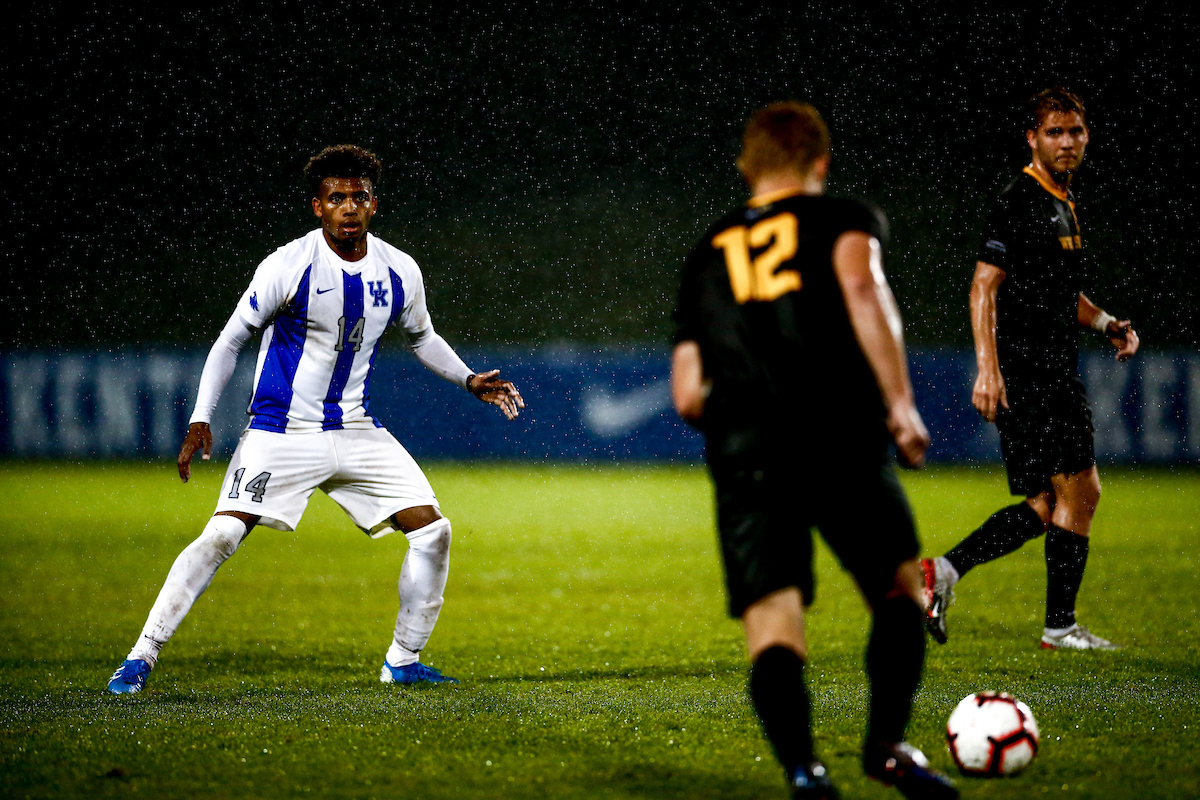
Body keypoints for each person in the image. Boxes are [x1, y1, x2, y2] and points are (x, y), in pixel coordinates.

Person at [107, 144, 523, 694]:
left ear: (375, 204)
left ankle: (402, 661)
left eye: (359, 197)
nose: (349, 207)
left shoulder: (399, 270)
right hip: (279, 432)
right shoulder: (289, 265)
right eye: (337, 198)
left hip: (354, 430)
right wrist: (201, 417)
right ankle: (141, 656)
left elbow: (421, 336)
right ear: (317, 207)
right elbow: (232, 339)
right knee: (223, 533)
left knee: (433, 530)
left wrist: (467, 378)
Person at [671, 102, 957, 800]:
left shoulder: (706, 250)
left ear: (748, 167)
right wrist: (898, 403)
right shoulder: (841, 219)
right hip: (838, 432)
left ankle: (805, 771)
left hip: (745, 449)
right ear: (821, 163)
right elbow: (863, 288)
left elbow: (685, 395)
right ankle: (886, 748)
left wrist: (748, 420)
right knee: (898, 592)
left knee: (774, 618)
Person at [921, 87, 1139, 650]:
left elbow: (1058, 293)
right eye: (1054, 132)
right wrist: (987, 370)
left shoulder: (1063, 200)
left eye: (1075, 132)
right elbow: (982, 288)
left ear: (1086, 135)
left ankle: (942, 573)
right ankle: (1060, 628)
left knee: (1049, 502)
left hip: (1046, 365)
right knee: (1081, 492)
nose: (1067, 142)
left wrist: (1107, 323)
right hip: (1030, 370)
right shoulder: (1020, 199)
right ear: (1032, 138)